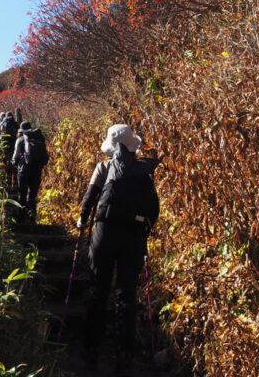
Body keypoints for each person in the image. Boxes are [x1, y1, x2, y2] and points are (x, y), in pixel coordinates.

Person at [77, 123, 160, 372]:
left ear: (111, 146)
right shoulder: (144, 170)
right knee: (125, 295)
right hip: (132, 238)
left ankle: (91, 351)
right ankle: (124, 355)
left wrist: (82, 220)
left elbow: (89, 198)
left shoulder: (103, 167)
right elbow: (152, 209)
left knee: (99, 290)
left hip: (104, 234)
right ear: (132, 144)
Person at [11, 120, 49, 224]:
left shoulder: (20, 140)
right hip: (36, 169)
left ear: (21, 130)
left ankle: (21, 216)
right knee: (32, 193)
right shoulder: (39, 138)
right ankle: (31, 213)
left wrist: (14, 163)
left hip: (23, 170)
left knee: (22, 193)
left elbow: (15, 156)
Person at [0, 111, 19, 187]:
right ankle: (13, 170)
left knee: (5, 155)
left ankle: (6, 171)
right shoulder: (15, 123)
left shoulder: (3, 123)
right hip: (13, 142)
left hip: (5, 142)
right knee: (12, 154)